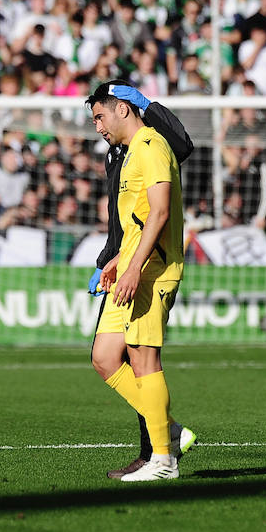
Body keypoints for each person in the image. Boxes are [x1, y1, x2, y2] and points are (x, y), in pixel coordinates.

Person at [87, 81, 197, 479]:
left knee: (143, 357)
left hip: (152, 269)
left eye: (100, 116)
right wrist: (115, 260)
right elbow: (134, 221)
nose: (97, 126)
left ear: (123, 110)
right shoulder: (129, 152)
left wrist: (133, 267)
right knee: (104, 357)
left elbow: (160, 213)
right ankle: (168, 431)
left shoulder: (152, 146)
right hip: (130, 265)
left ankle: (162, 459)